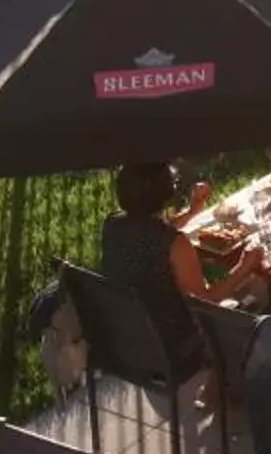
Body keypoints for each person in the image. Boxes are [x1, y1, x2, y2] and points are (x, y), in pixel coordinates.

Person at [99, 159, 257, 380]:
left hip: (124, 340)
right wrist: (245, 266)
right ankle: (222, 383)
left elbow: (149, 233)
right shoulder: (175, 244)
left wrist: (192, 212)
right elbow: (206, 302)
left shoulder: (112, 226)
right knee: (250, 300)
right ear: (166, 192)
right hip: (172, 350)